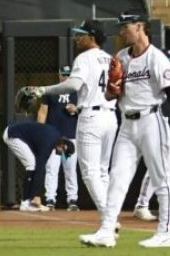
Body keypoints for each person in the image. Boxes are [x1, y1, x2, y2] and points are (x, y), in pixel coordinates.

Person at [79, 11, 170, 249]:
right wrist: (112, 87)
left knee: (162, 179)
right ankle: (106, 231)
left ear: (140, 27)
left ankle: (165, 233)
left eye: (126, 26)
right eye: (121, 26)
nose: (122, 31)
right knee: (117, 178)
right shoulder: (121, 56)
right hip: (127, 123)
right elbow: (111, 94)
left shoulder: (156, 58)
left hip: (153, 120)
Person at [31, 20, 117, 213]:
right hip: (110, 117)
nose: (77, 37)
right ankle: (111, 214)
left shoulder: (84, 57)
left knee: (90, 172)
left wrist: (44, 89)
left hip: (92, 118)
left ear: (92, 37)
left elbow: (74, 85)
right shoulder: (110, 58)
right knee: (103, 171)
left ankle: (109, 216)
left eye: (81, 34)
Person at [134, 52, 170, 223]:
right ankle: (142, 205)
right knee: (158, 167)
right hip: (159, 126)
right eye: (169, 62)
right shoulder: (154, 79)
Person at [3, 120, 75, 212]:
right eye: (63, 153)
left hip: (15, 133)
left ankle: (27, 201)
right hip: (13, 134)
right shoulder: (49, 142)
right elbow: (40, 168)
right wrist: (36, 194)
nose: (61, 154)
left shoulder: (54, 137)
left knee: (32, 164)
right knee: (31, 164)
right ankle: (26, 203)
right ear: (63, 145)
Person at [37, 65, 79, 211]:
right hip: (54, 137)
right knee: (52, 168)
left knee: (70, 169)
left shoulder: (76, 91)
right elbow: (43, 112)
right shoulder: (52, 91)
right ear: (59, 75)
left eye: (68, 75)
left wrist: (76, 109)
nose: (65, 77)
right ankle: (50, 198)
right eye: (63, 74)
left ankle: (72, 199)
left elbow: (85, 111)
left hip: (70, 137)